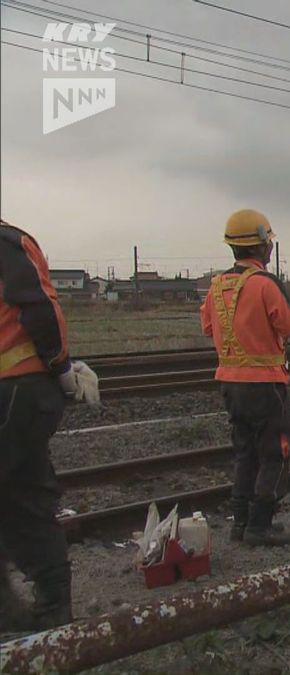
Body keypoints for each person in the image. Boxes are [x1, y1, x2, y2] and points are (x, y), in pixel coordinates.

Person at [0, 219, 99, 632]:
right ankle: (51, 612)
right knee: (27, 499)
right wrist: (62, 368)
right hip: (16, 391)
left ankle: (19, 615)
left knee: (19, 497)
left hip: (12, 393)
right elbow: (39, 306)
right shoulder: (9, 243)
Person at [200, 209, 290, 546]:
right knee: (275, 451)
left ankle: (239, 522)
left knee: (245, 452)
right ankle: (261, 524)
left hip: (230, 384)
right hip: (266, 385)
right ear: (259, 246)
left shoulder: (216, 286)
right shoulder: (264, 284)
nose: (270, 248)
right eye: (268, 242)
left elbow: (208, 327)